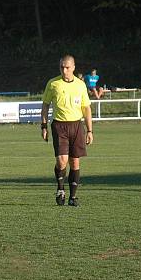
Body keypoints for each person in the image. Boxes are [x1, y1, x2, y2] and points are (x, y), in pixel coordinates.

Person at [40, 55, 93, 207]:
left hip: (76, 126)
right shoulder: (53, 83)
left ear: (74, 68)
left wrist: (90, 130)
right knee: (61, 161)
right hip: (59, 126)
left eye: (67, 67)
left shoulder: (80, 85)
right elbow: (45, 105)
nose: (64, 70)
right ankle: (60, 189)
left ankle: (73, 197)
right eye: (62, 67)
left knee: (74, 162)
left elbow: (86, 108)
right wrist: (43, 126)